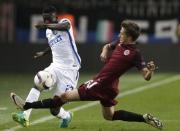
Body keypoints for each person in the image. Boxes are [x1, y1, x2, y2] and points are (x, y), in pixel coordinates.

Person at [11, 20, 163, 130]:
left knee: (63, 97)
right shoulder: (119, 42)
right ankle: (144, 118)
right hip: (110, 87)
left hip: (101, 84)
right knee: (109, 116)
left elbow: (146, 76)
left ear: (130, 36)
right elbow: (107, 46)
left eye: (122, 32)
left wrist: (150, 70)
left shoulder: (135, 54)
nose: (119, 34)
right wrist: (104, 53)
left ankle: (27, 105)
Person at [11, 5, 81, 128]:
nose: (46, 21)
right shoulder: (48, 31)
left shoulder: (65, 23)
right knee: (39, 80)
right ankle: (25, 116)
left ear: (56, 17)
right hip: (55, 66)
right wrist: (43, 52)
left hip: (70, 69)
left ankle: (67, 116)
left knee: (54, 108)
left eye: (49, 18)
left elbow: (64, 27)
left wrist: (45, 26)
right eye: (44, 19)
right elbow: (54, 45)